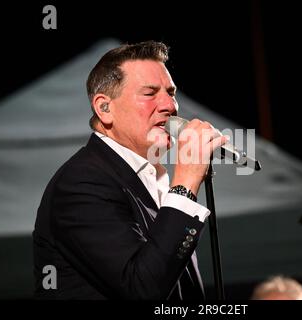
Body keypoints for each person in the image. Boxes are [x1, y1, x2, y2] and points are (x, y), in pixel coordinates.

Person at [33, 40, 228, 300]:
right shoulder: (82, 182)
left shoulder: (152, 177)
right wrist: (185, 183)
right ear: (104, 108)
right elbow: (142, 289)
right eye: (149, 93)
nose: (170, 106)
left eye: (171, 92)